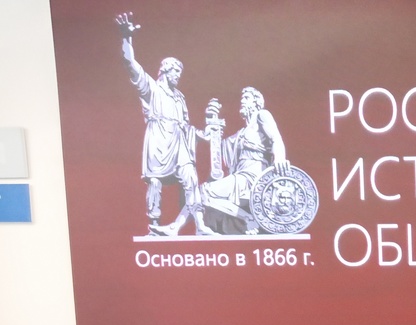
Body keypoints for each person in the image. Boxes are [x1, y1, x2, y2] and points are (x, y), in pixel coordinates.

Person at [115, 12, 211, 236]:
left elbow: (186, 126)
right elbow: (130, 64)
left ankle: (200, 224)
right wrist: (126, 38)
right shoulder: (152, 88)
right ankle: (154, 224)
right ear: (165, 70)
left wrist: (202, 134)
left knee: (191, 177)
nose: (178, 75)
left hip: (179, 142)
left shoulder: (180, 97)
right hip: (159, 139)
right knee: (155, 181)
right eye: (176, 71)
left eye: (180, 72)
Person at [199, 87, 290, 235]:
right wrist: (213, 125)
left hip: (253, 176)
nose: (242, 101)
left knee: (205, 191)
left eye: (246, 98)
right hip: (240, 175)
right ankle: (248, 217)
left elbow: (276, 138)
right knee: (203, 193)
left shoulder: (262, 115)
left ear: (256, 102)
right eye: (242, 98)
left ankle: (249, 218)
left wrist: (280, 158)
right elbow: (220, 150)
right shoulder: (241, 133)